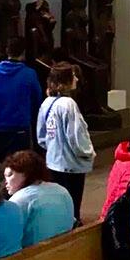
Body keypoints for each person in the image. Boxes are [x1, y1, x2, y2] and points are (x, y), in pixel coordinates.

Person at [37, 62, 95, 226]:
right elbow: (76, 135)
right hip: (71, 163)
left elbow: (41, 136)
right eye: (73, 76)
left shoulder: (47, 103)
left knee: (58, 202)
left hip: (54, 160)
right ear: (65, 81)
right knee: (72, 205)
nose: (76, 79)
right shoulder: (68, 104)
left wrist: (53, 148)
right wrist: (88, 152)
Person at [0, 37, 42, 162]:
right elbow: (37, 100)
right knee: (20, 165)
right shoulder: (29, 74)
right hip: (19, 126)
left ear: (7, 50)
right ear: (23, 52)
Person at [3, 150, 74, 247]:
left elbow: (7, 238)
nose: (6, 181)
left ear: (26, 173)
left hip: (35, 254)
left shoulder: (19, 200)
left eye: (10, 175)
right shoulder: (61, 190)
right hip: (68, 248)